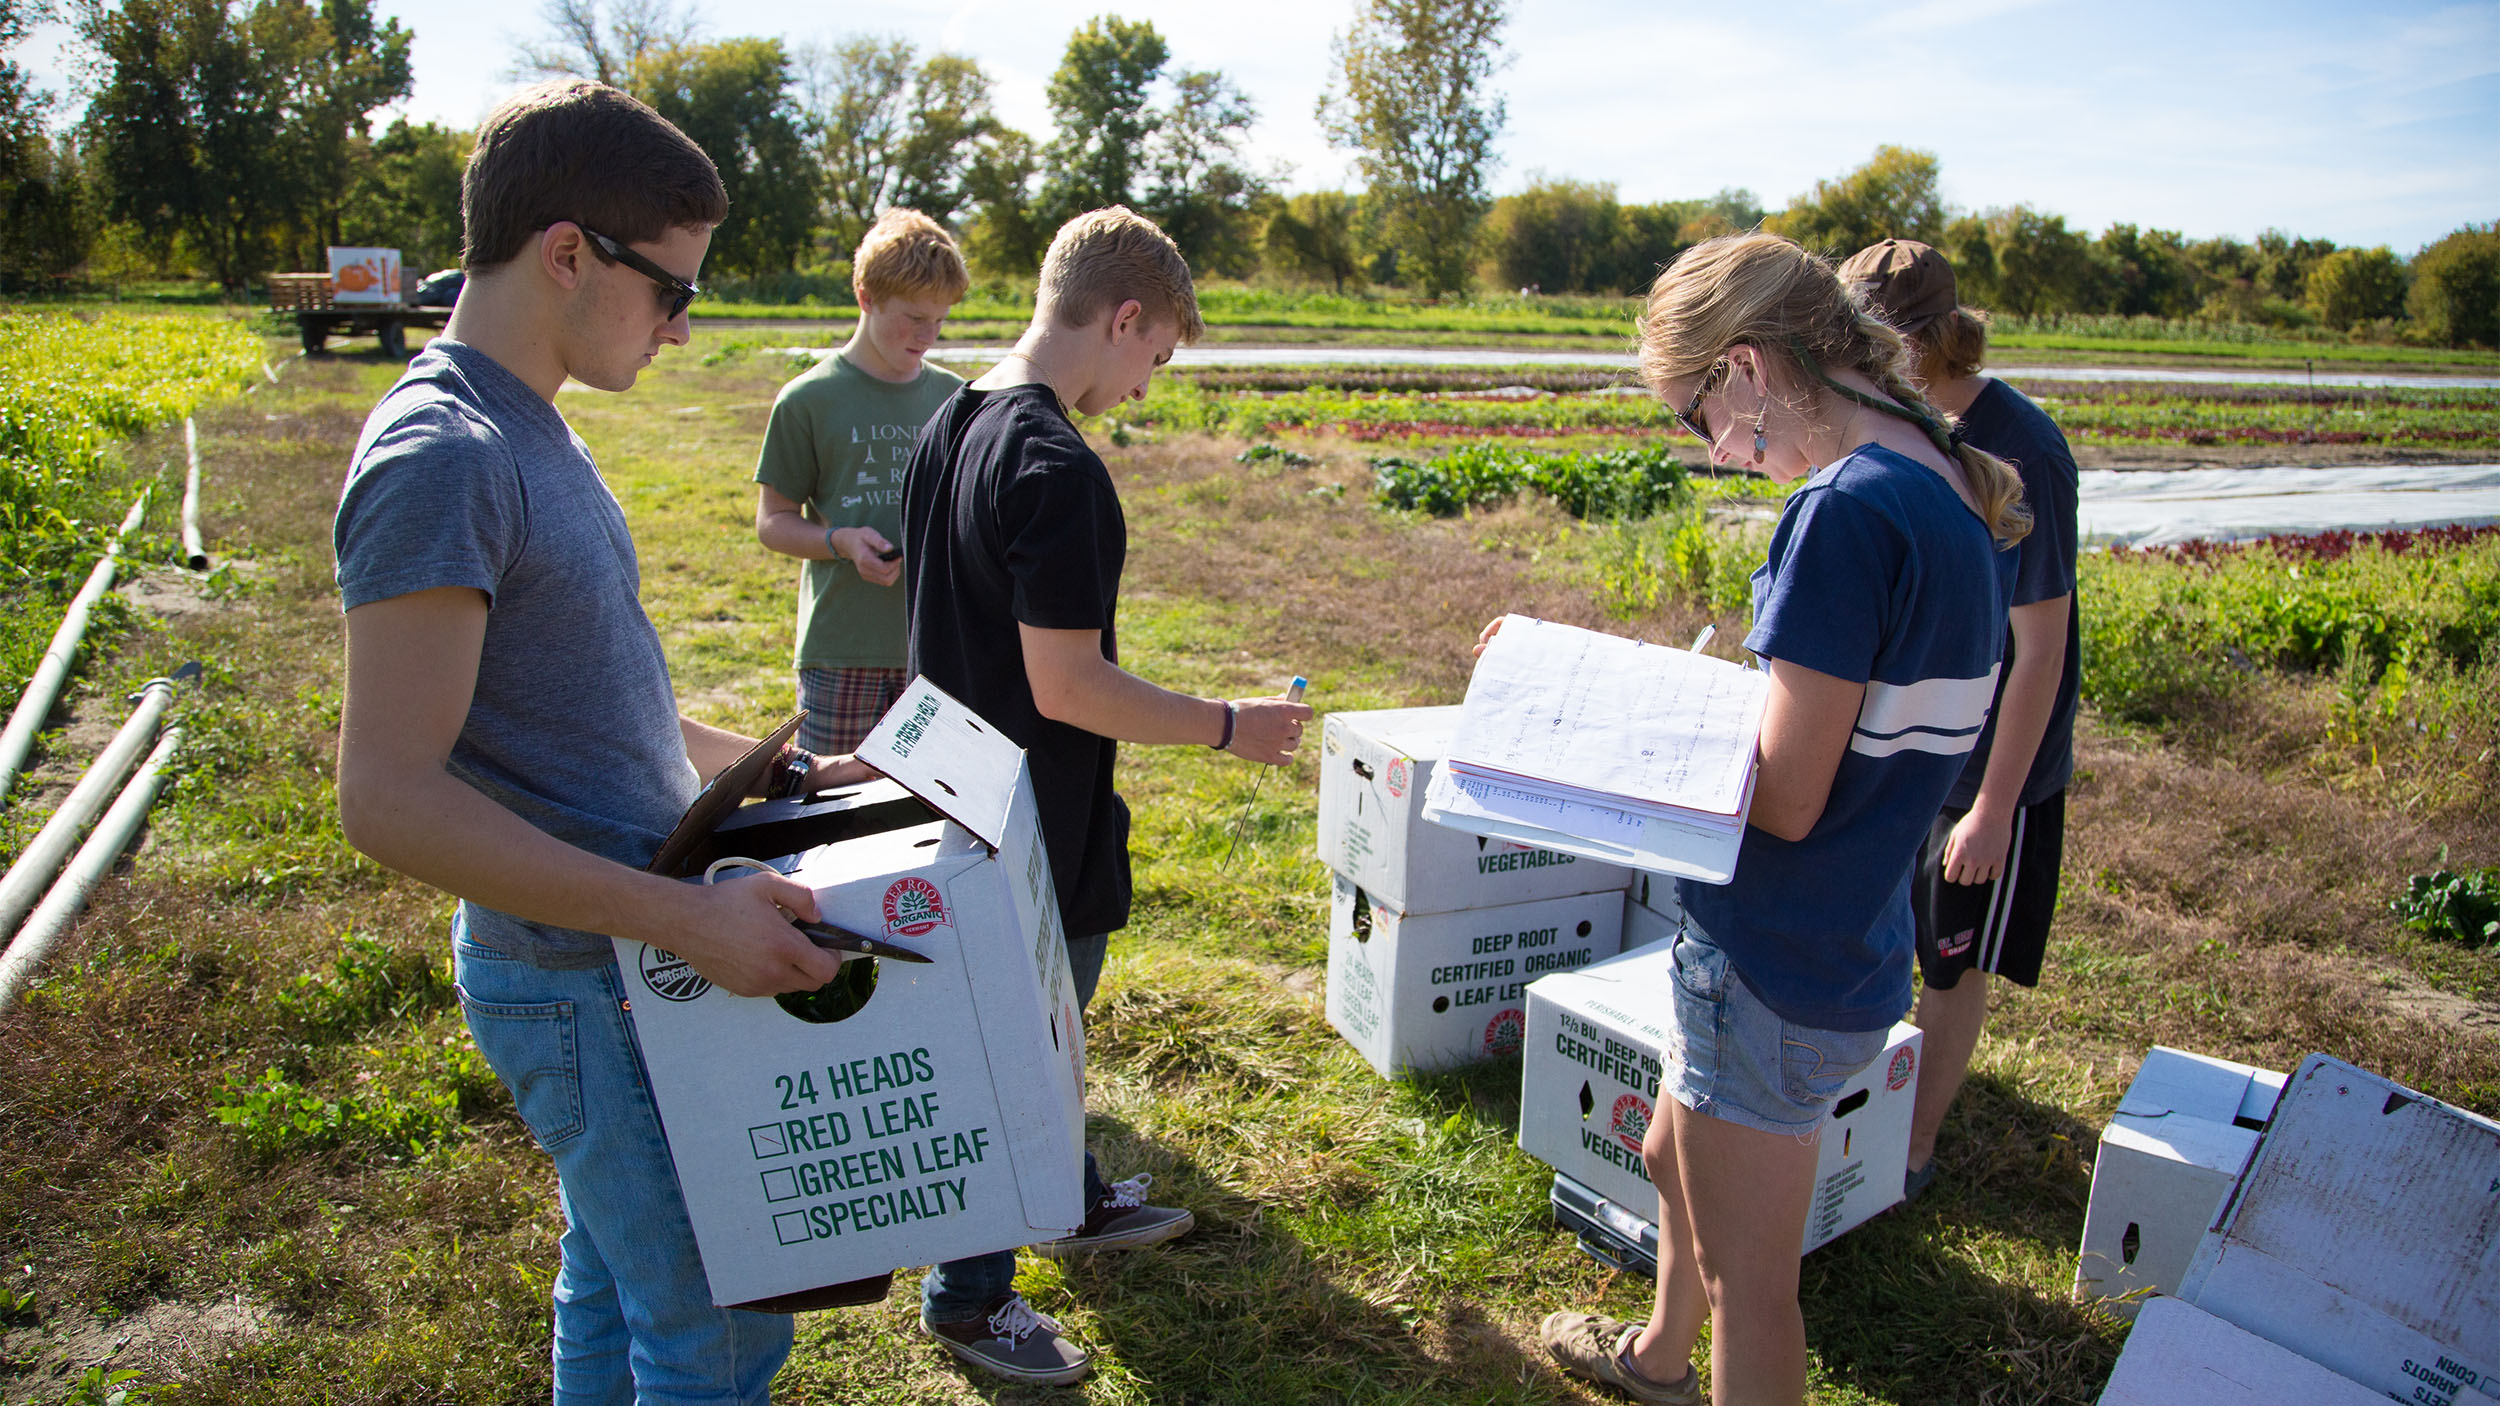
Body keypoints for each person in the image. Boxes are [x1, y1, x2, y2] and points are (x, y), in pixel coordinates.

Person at [332, 80, 877, 1404]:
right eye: (669, 289)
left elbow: (583, 695)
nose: (683, 328)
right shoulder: (443, 453)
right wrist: (677, 919)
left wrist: (772, 771)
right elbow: (389, 797)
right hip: (588, 974)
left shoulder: (529, 420)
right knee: (718, 1319)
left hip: (618, 957)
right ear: (568, 251)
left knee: (617, 1287)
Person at [1529, 232, 2029, 1406]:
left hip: (1773, 953)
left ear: (1747, 368)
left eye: (1695, 414)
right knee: (1667, 1149)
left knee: (1750, 1285)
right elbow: (1854, 728)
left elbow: (1790, 792)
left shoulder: (1841, 513)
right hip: (1851, 940)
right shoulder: (1949, 486)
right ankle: (1655, 1357)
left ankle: (1689, 1362)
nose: (1708, 449)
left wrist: (1594, 710)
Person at [898, 206, 1313, 1387]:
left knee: (1045, 1033)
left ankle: (1069, 1196)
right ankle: (971, 1299)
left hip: (965, 792)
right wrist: (1230, 725)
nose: (1147, 384)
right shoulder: (1054, 464)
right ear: (1124, 317)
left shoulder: (955, 418)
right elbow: (1068, 683)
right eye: (1158, 356)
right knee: (1019, 1054)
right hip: (1028, 818)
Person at [1839, 239, 2081, 1201]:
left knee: (1951, 956)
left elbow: (2042, 650)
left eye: (1868, 338)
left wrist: (1993, 806)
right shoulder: (1899, 423)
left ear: (1927, 338)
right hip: (1911, 745)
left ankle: (1911, 1151)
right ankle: (1870, 1104)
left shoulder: (2023, 451)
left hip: (1986, 766)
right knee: (1892, 931)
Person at [754, 210, 968, 754]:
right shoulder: (807, 400)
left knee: (925, 814)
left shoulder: (957, 399)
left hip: (936, 649)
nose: (928, 336)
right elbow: (773, 523)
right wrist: (841, 542)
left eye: (940, 320)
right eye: (914, 317)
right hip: (840, 652)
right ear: (865, 296)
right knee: (832, 813)